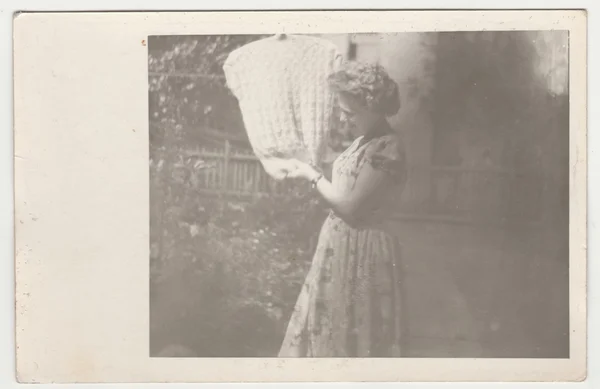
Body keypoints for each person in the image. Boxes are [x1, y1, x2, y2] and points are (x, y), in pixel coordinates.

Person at [279, 61, 407, 357]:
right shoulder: (364, 141)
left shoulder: (388, 147)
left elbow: (350, 206)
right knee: (326, 330)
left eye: (349, 112)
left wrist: (312, 176)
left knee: (353, 336)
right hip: (339, 246)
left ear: (372, 106)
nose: (343, 117)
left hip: (364, 252)